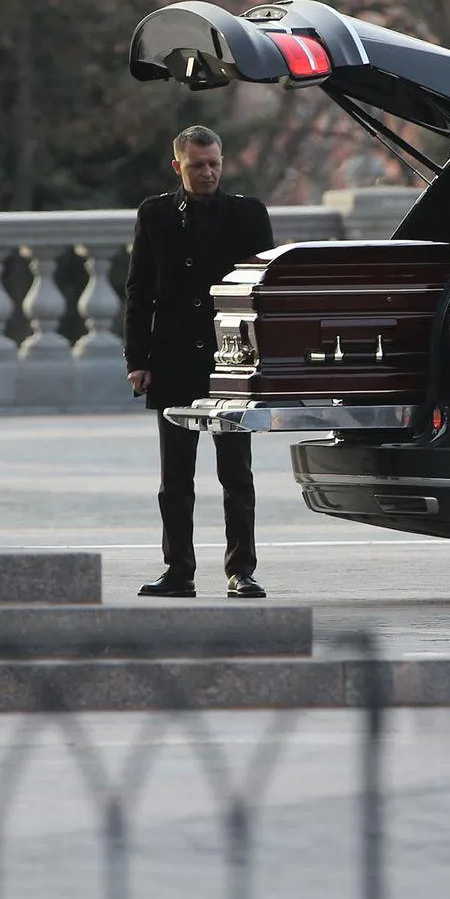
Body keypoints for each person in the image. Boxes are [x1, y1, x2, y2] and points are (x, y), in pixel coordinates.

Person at [123, 125, 274, 598]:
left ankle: (241, 569)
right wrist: (138, 358)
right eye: (197, 165)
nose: (207, 173)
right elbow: (138, 290)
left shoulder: (248, 213)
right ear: (178, 166)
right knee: (175, 477)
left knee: (236, 472)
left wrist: (261, 360)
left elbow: (263, 291)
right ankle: (179, 570)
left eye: (214, 164)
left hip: (231, 359)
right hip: (172, 358)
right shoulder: (156, 214)